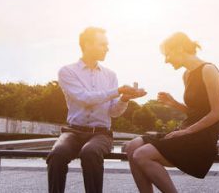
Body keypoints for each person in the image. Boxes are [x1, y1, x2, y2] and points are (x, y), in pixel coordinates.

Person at [47, 27, 146, 193]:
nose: (107, 48)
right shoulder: (67, 71)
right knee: (57, 154)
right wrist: (118, 91)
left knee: (90, 152)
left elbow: (113, 112)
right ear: (87, 44)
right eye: (103, 44)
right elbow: (85, 98)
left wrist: (124, 99)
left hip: (101, 134)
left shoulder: (110, 75)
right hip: (73, 132)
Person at [125, 32, 219, 193]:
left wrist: (184, 132)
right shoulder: (187, 74)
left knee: (141, 155)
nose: (166, 60)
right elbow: (195, 112)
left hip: (201, 138)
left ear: (179, 48)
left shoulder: (208, 70)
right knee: (132, 146)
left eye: (167, 54)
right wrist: (174, 104)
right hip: (186, 132)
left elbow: (216, 113)